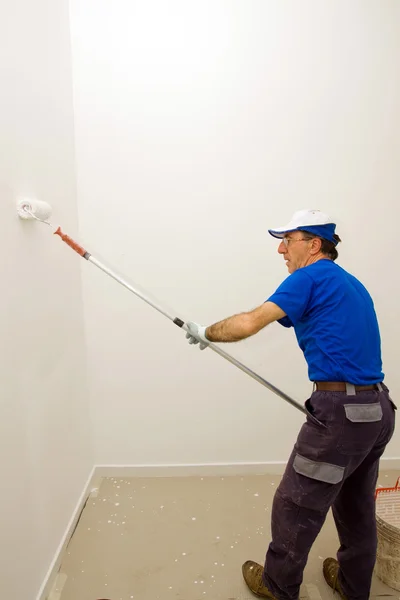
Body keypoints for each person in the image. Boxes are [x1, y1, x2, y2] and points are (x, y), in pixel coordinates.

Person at [184, 209, 396, 600]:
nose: (281, 250)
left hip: (342, 415)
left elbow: (250, 322)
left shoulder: (308, 277)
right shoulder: (350, 284)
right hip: (379, 410)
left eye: (288, 240)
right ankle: (353, 588)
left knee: (296, 504)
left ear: (314, 245)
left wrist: (207, 332)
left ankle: (277, 586)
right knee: (355, 503)